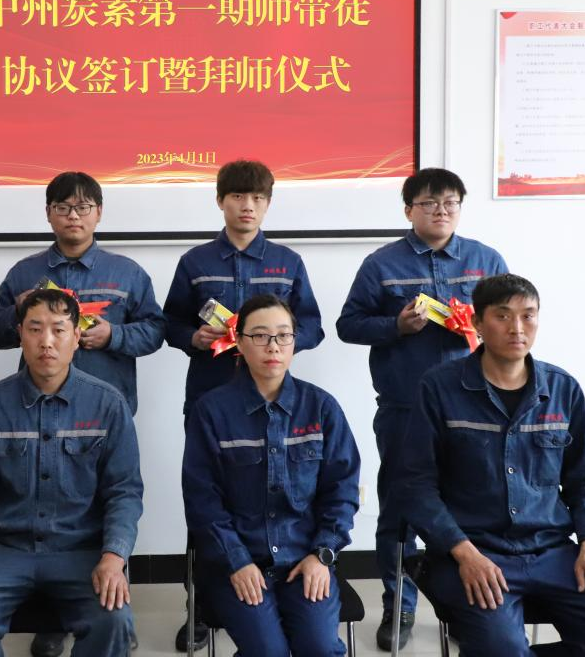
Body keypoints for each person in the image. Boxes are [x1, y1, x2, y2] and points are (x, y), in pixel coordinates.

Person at [398, 274, 585, 656]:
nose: (517, 328)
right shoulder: (440, 388)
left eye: (528, 316)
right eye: (502, 316)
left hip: (553, 552)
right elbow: (415, 485)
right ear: (477, 323)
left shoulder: (562, 389)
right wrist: (464, 553)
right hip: (472, 550)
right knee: (502, 649)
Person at [335, 167, 506, 650]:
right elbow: (348, 325)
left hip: (474, 409)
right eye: (429, 203)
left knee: (469, 507)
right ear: (409, 209)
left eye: (450, 203)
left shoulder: (485, 260)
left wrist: (478, 326)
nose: (441, 211)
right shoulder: (381, 263)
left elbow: (508, 321)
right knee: (400, 510)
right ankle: (400, 603)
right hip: (404, 408)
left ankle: (466, 604)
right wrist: (397, 326)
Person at [164, 159, 325, 652]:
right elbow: (169, 324)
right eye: (237, 196)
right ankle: (201, 607)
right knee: (205, 500)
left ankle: (276, 592)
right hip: (211, 400)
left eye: (257, 198)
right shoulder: (195, 262)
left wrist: (275, 340)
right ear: (220, 201)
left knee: (274, 495)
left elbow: (313, 327)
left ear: (268, 203)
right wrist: (194, 336)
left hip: (276, 400)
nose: (247, 206)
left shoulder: (287, 262)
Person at [0, 289, 143, 657]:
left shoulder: (108, 404)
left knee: (113, 620)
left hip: (80, 548)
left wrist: (114, 558)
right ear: (20, 335)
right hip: (6, 549)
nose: (46, 341)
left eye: (58, 330)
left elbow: (124, 493)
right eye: (35, 329)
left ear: (77, 337)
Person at [183, 294, 360, 656]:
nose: (273, 346)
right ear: (239, 341)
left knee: (320, 647)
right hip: (237, 563)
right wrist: (237, 561)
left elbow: (342, 491)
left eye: (283, 335)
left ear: (294, 341)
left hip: (305, 559)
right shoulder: (211, 411)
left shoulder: (322, 408)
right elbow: (203, 501)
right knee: (268, 652)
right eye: (260, 335)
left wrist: (322, 554)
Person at [0, 170, 164, 417]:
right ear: (48, 213)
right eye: (62, 208)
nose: (73, 216)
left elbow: (155, 332)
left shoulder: (128, 273)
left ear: (99, 212)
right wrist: (18, 310)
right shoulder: (24, 273)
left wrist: (113, 335)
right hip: (37, 408)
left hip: (107, 409)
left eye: (83, 207)